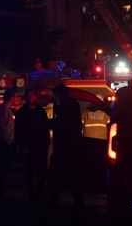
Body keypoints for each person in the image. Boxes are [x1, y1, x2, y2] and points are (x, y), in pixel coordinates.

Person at [43, 84, 84, 217]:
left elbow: (62, 127)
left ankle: (54, 206)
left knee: (52, 177)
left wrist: (47, 123)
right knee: (74, 179)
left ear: (61, 96)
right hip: (73, 149)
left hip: (64, 149)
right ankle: (78, 207)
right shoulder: (73, 107)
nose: (55, 100)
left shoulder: (65, 108)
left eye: (55, 97)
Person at [15, 88, 50, 202]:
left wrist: (47, 142)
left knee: (42, 170)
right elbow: (18, 130)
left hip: (42, 145)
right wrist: (22, 146)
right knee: (30, 170)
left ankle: (40, 192)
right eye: (28, 96)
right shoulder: (22, 112)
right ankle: (31, 193)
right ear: (26, 98)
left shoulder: (40, 110)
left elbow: (45, 127)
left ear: (36, 97)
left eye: (32, 95)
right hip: (29, 146)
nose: (30, 97)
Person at [0, 88, 16, 205]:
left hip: (4, 143)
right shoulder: (4, 110)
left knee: (3, 170)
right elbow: (1, 127)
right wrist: (8, 140)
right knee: (2, 170)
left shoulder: (5, 109)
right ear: (12, 97)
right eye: (15, 96)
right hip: (4, 144)